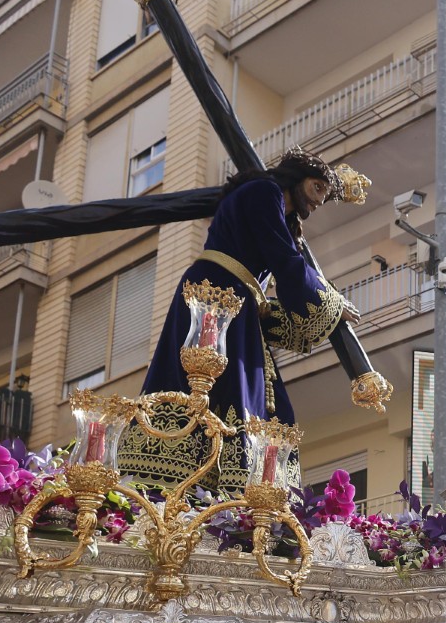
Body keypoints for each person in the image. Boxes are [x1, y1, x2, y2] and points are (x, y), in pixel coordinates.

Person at [120, 147, 363, 491]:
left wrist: (315, 310)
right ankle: (185, 479)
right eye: (318, 188)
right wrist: (332, 303)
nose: (320, 201)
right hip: (216, 293)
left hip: (234, 300)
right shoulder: (264, 191)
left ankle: (220, 488)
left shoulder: (275, 208)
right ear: (298, 178)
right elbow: (287, 262)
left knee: (254, 402)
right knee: (209, 390)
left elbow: (268, 296)